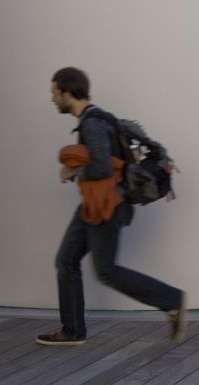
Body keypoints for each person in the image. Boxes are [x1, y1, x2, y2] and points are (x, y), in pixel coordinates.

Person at [37, 67, 187, 347]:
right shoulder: (97, 119)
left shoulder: (93, 124)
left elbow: (103, 167)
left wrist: (73, 171)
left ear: (68, 93)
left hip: (108, 205)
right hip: (94, 204)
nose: (53, 99)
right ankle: (72, 331)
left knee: (105, 271)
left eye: (55, 93)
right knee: (66, 260)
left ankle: (172, 300)